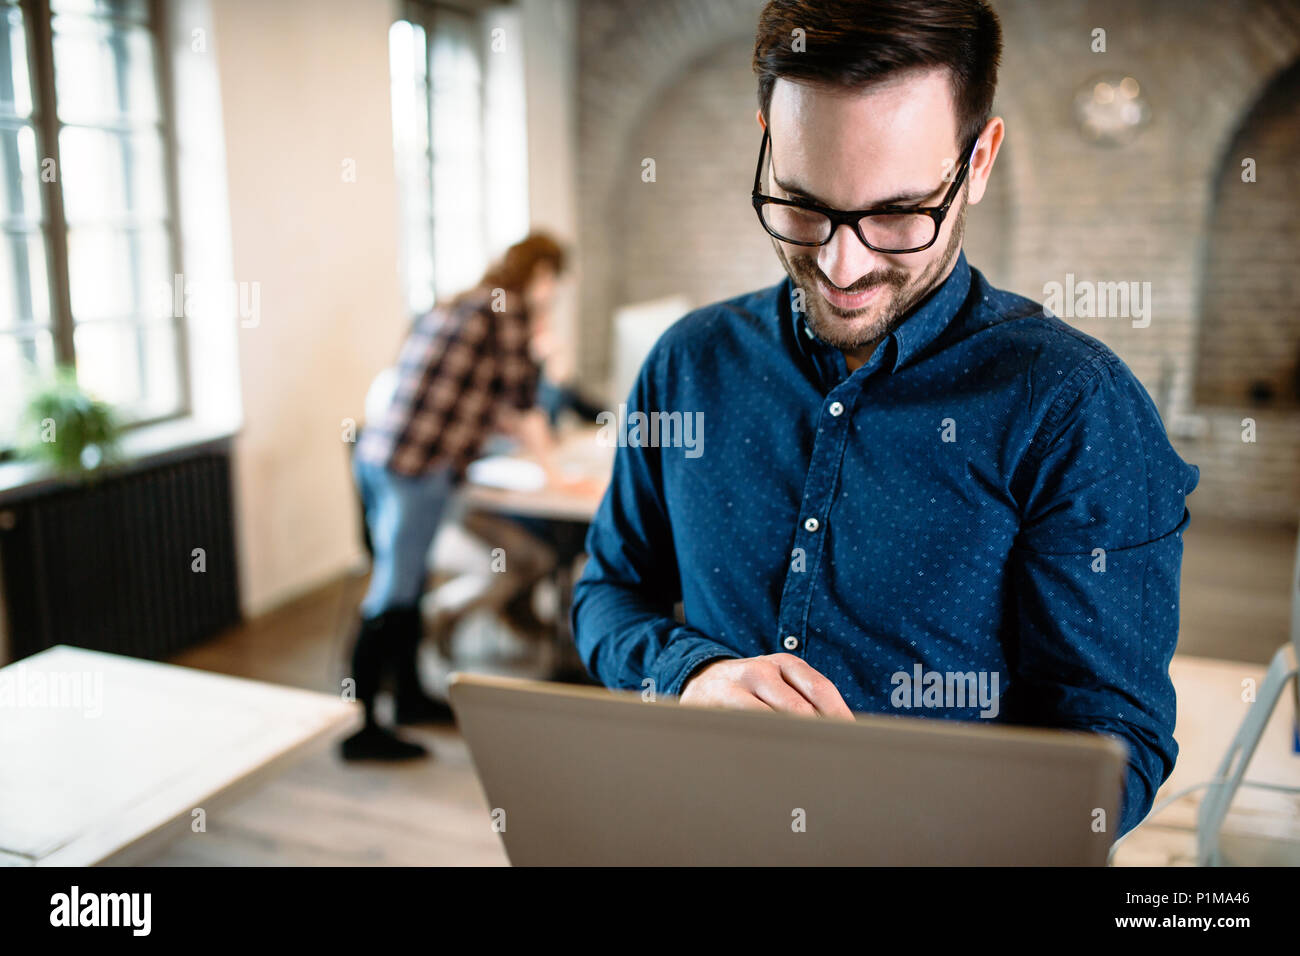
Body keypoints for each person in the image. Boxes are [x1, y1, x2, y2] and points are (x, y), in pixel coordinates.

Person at [571, 0, 1200, 839]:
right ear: (766, 135)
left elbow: (1115, 743)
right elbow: (608, 590)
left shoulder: (1076, 408)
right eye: (802, 205)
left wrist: (927, 827)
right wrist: (689, 675)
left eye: (897, 216)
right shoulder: (689, 364)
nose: (842, 264)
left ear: (978, 162)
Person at [344, 232, 568, 761]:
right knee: (393, 592)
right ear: (541, 275)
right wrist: (556, 476)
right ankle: (363, 728)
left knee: (407, 583)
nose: (554, 294)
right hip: (415, 466)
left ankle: (408, 700)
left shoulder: (465, 304)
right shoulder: (506, 313)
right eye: (555, 282)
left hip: (383, 457)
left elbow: (477, 400)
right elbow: (524, 405)